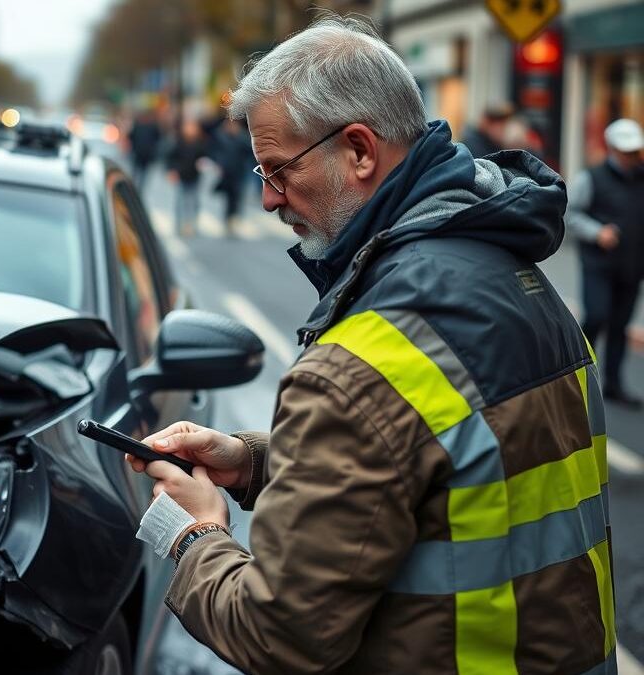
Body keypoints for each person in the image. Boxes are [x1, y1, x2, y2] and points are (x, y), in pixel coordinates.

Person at [128, 16, 615, 675]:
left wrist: (193, 535)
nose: (269, 197)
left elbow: (278, 633)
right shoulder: (518, 275)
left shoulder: (356, 367)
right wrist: (254, 462)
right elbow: (448, 470)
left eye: (280, 169)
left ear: (359, 150)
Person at [565, 117, 644, 408]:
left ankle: (613, 384)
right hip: (599, 264)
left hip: (632, 266)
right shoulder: (591, 177)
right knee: (596, 316)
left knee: (620, 326)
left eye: (634, 151)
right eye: (626, 151)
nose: (631, 156)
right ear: (611, 148)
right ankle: (578, 376)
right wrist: (598, 232)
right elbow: (570, 215)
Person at [211, 117, 255, 235]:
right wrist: (217, 163)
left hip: (239, 172)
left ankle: (234, 218)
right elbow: (214, 152)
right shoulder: (220, 136)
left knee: (237, 196)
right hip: (226, 172)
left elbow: (250, 150)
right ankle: (228, 219)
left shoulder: (242, 137)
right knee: (228, 198)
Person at [166, 119, 210, 237]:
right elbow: (170, 157)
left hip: (194, 176)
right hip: (181, 176)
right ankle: (179, 225)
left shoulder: (200, 142)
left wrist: (203, 164)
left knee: (194, 201)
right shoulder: (178, 142)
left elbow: (204, 157)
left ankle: (191, 224)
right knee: (180, 201)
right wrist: (172, 170)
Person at [127, 109, 161, 192]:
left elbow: (130, 137)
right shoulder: (151, 126)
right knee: (140, 174)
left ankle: (135, 188)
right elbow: (158, 138)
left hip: (141, 154)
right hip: (142, 154)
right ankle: (136, 189)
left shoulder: (140, 126)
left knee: (138, 173)